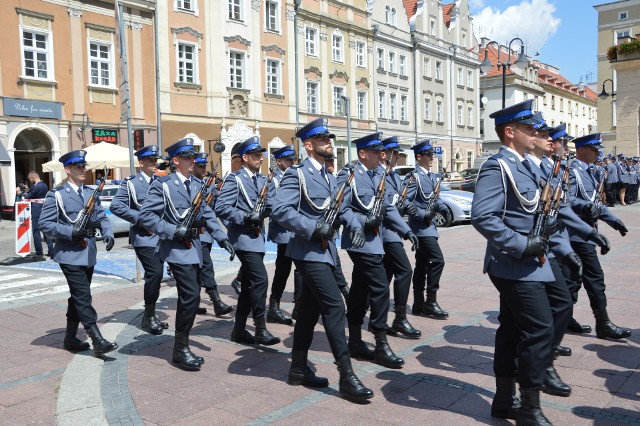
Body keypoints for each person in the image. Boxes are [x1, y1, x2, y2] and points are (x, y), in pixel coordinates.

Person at [271, 117, 373, 401]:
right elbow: (281, 210)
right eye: (324, 139)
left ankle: (298, 369)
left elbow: (338, 211)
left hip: (326, 252)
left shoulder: (329, 177)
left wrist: (355, 224)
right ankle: (347, 376)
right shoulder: (297, 174)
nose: (330, 143)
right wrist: (313, 227)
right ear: (309, 145)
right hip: (307, 251)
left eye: (329, 139)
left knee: (307, 312)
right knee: (335, 307)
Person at [471, 99, 555, 424]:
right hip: (512, 261)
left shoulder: (525, 164)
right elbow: (483, 216)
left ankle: (504, 401)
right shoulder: (498, 165)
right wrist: (522, 244)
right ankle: (529, 409)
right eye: (528, 126)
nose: (535, 131)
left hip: (527, 260)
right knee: (540, 329)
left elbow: (528, 210)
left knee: (511, 329)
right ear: (510, 132)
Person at [139, 138, 231, 370]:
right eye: (188, 157)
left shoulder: (196, 185)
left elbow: (207, 212)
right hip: (176, 249)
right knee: (190, 295)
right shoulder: (164, 185)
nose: (193, 161)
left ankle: (182, 345)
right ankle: (180, 348)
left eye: (193, 157)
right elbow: (147, 217)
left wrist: (221, 236)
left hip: (195, 248)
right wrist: (172, 230)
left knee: (191, 297)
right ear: (176, 160)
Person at [338, 132, 414, 370]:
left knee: (360, 289)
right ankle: (380, 342)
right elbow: (340, 207)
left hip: (376, 241)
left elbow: (387, 207)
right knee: (380, 287)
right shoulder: (349, 174)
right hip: (359, 241)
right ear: (362, 153)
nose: (380, 156)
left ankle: (355, 341)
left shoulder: (378, 174)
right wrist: (361, 222)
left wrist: (404, 231)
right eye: (374, 152)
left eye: (380, 152)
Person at [39, 150, 118, 357]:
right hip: (69, 254)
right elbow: (45, 224)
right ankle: (96, 338)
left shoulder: (91, 193)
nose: (83, 170)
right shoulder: (56, 195)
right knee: (83, 296)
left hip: (88, 253)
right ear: (67, 170)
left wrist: (108, 233)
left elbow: (102, 216)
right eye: (78, 167)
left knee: (77, 297)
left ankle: (70, 338)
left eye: (84, 166)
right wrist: (70, 231)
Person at [215, 136, 280, 346]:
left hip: (257, 238)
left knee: (250, 285)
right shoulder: (235, 179)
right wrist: (244, 216)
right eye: (255, 155)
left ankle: (239, 330)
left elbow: (270, 205)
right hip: (242, 238)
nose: (260, 158)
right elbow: (222, 207)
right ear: (244, 157)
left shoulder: (262, 181)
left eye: (261, 155)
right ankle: (260, 328)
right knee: (260, 280)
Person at [567, 133, 632, 340]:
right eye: (594, 150)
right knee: (591, 278)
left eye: (598, 150)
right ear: (581, 150)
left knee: (574, 279)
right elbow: (566, 201)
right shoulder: (572, 171)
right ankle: (602, 324)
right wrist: (585, 207)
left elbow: (594, 203)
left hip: (587, 234)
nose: (597, 153)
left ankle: (565, 319)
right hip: (576, 235)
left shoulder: (590, 171)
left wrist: (613, 220)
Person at [111, 145, 169, 335]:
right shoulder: (131, 183)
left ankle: (151, 314)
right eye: (151, 160)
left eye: (156, 160)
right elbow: (116, 206)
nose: (155, 164)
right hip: (144, 237)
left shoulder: (160, 182)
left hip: (160, 237)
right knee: (154, 273)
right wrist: (139, 219)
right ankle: (148, 317)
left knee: (158, 275)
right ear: (141, 162)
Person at [378, 136, 421, 339]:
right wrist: (405, 229)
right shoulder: (380, 175)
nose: (397, 157)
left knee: (384, 278)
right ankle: (399, 318)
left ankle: (379, 320)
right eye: (394, 154)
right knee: (404, 271)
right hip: (386, 233)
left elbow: (395, 204)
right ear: (384, 154)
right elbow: (385, 208)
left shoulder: (394, 176)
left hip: (393, 231)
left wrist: (406, 207)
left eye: (398, 153)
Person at [403, 140, 449, 320]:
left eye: (432, 154)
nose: (432, 157)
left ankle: (418, 304)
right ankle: (431, 301)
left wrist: (443, 208)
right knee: (438, 261)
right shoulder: (413, 177)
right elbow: (405, 201)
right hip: (421, 229)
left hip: (430, 228)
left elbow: (434, 199)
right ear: (418, 157)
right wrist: (422, 213)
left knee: (421, 265)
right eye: (428, 155)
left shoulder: (432, 177)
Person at [191, 152, 234, 317]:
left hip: (207, 235)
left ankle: (193, 303)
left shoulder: (208, 185)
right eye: (200, 165)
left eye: (205, 165)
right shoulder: (191, 184)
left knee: (199, 270)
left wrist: (229, 229)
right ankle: (216, 302)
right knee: (206, 269)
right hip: (195, 235)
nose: (203, 168)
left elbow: (216, 209)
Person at [266, 145, 298, 325]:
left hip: (297, 230)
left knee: (301, 269)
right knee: (283, 270)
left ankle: (300, 305)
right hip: (284, 231)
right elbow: (272, 206)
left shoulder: (296, 176)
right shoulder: (273, 181)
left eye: (293, 160)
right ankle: (274, 307)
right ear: (279, 162)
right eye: (288, 160)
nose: (291, 163)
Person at [19, 171, 54, 256]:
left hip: (36, 211)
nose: (30, 181)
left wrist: (20, 194)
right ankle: (51, 250)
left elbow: (28, 197)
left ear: (33, 178)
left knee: (36, 232)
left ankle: (39, 252)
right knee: (46, 231)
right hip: (44, 210)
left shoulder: (36, 187)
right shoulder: (44, 185)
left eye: (30, 179)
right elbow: (36, 194)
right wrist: (29, 190)